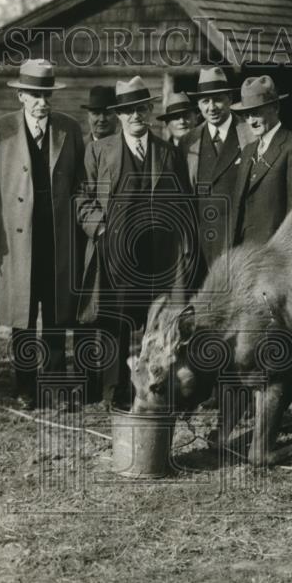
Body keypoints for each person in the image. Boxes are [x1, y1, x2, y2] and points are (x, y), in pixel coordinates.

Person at [77, 76, 195, 410]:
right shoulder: (99, 151)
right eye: (128, 110)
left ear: (149, 109)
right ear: (119, 114)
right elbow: (82, 199)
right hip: (113, 252)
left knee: (153, 323)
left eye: (141, 108)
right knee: (115, 321)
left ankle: (152, 387)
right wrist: (99, 229)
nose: (135, 116)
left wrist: (181, 249)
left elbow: (184, 204)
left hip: (157, 255)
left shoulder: (168, 152)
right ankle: (115, 392)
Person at [0, 59, 85, 410]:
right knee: (22, 317)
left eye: (47, 95)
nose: (42, 102)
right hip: (16, 242)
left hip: (56, 239)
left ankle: (55, 385)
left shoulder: (69, 130)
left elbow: (80, 184)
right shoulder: (1, 132)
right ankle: (25, 386)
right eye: (35, 95)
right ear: (22, 96)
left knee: (55, 315)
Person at [182, 68, 255, 274]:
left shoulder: (249, 135)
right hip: (203, 241)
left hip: (239, 237)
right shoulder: (189, 142)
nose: (211, 107)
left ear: (230, 99)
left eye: (217, 100)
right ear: (198, 104)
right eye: (205, 101)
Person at [231, 76, 292, 247]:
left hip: (276, 254)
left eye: (256, 112)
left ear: (275, 108)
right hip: (244, 254)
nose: (251, 121)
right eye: (246, 114)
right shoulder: (248, 150)